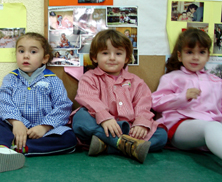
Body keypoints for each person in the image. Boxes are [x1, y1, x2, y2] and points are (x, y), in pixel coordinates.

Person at [0, 32, 78, 174]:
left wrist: (44, 127)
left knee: (69, 138)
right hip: (14, 129)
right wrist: (16, 122)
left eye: (33, 51)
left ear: (45, 58)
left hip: (43, 132)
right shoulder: (11, 79)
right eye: (21, 51)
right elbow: (3, 101)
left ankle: (14, 148)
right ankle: (0, 149)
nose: (26, 56)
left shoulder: (53, 80)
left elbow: (63, 106)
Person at [71, 29, 167, 163]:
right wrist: (105, 118)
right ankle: (126, 145)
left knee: (161, 135)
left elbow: (143, 105)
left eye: (118, 53)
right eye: (105, 53)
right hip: (101, 125)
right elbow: (87, 98)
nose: (112, 58)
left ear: (126, 58)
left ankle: (107, 146)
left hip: (130, 129)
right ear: (94, 57)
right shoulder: (89, 78)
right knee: (80, 118)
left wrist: (141, 124)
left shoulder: (137, 82)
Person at [152, 28, 222, 160]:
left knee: (213, 126)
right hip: (180, 126)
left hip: (212, 126)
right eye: (189, 52)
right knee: (211, 127)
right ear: (180, 55)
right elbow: (156, 104)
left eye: (201, 52)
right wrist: (182, 97)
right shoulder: (172, 78)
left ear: (208, 56)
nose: (195, 57)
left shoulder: (217, 81)